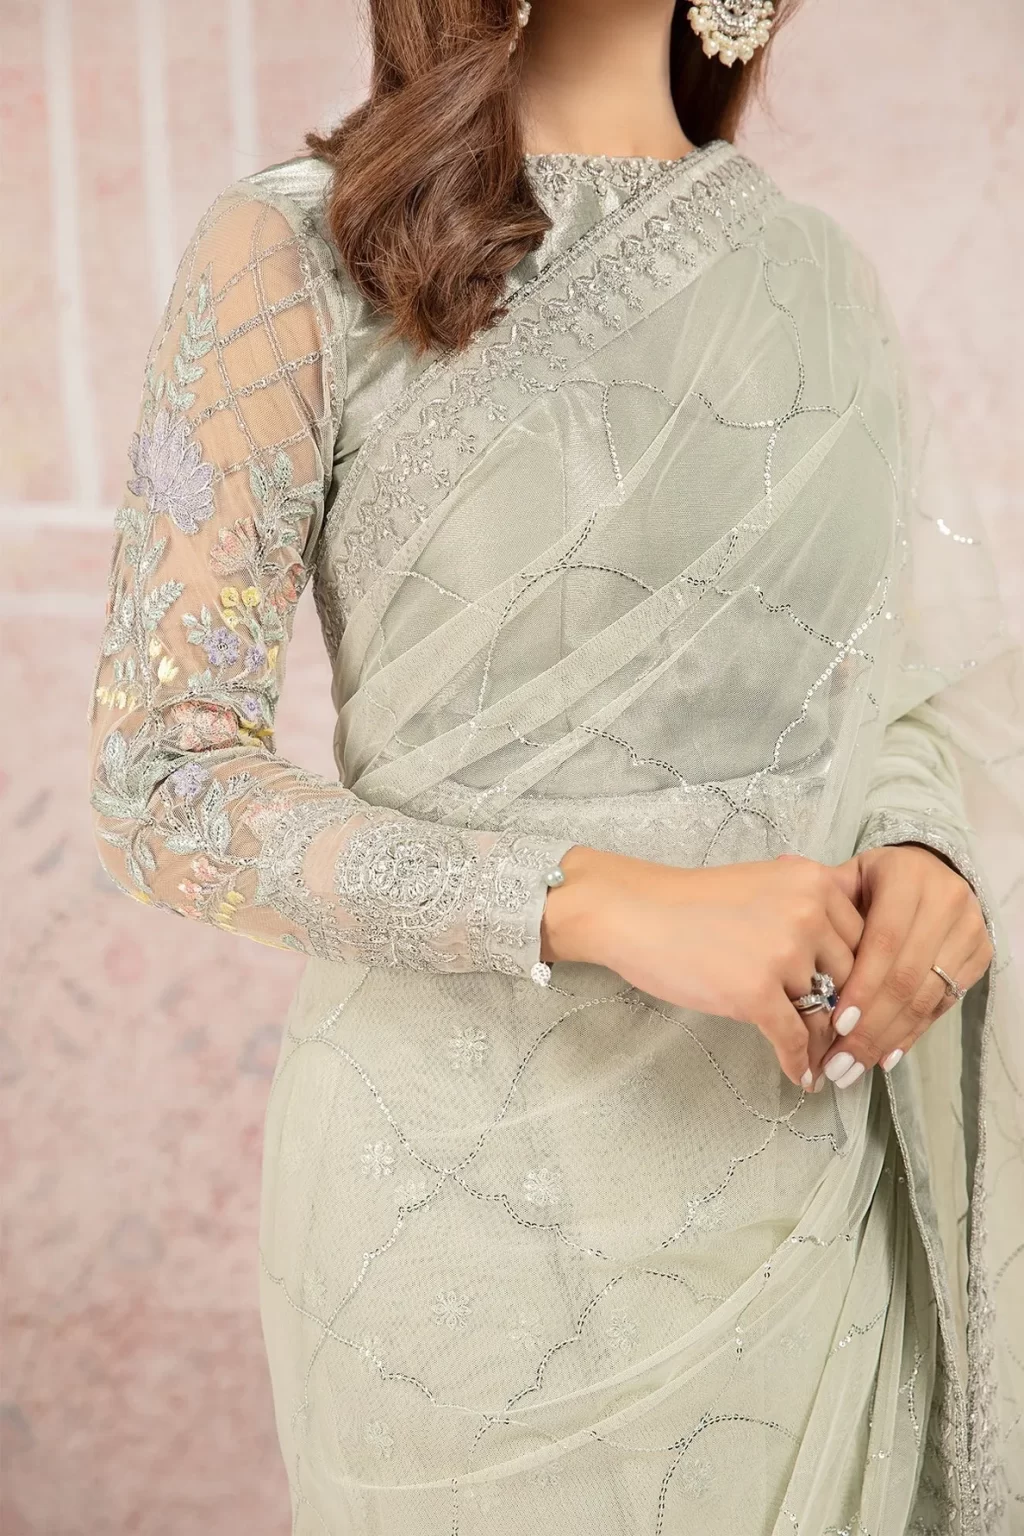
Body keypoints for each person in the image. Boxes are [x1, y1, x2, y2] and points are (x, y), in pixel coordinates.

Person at [87, 0, 1024, 1529]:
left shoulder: (820, 281)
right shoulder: (303, 252)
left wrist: (925, 859)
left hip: (798, 1205)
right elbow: (163, 787)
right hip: (455, 1239)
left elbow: (893, 698)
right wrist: (597, 902)